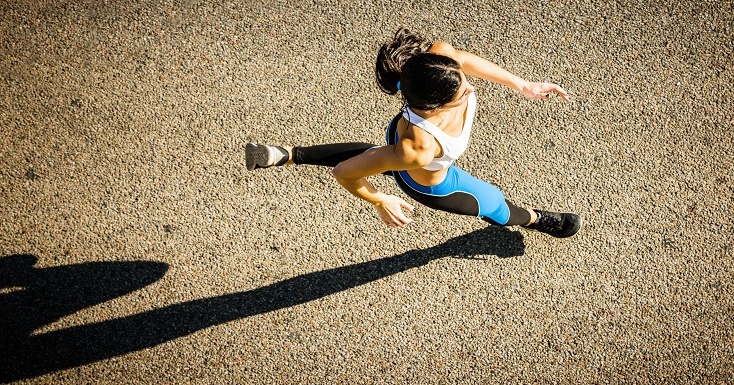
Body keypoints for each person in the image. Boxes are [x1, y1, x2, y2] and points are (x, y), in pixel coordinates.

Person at [245, 28, 582, 238]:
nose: (468, 89)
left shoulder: (438, 61)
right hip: (428, 181)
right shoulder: (416, 148)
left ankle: (280, 154)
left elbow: (460, 59)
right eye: (461, 93)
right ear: (433, 105)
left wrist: (521, 84)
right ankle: (535, 219)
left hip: (406, 138)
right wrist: (379, 200)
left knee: (376, 155)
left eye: (462, 81)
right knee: (495, 204)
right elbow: (345, 172)